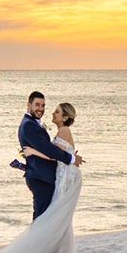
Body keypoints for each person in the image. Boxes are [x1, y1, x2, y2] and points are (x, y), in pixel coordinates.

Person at [0, 99, 83, 253]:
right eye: (44, 107)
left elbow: (52, 155)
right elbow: (54, 153)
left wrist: (31, 152)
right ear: (29, 105)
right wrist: (27, 162)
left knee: (52, 217)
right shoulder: (41, 126)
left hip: (66, 177)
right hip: (61, 175)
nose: (52, 113)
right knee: (55, 216)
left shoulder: (64, 130)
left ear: (65, 117)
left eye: (57, 112)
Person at [15, 91, 80, 221]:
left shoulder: (33, 124)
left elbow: (49, 150)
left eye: (43, 105)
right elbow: (49, 150)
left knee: (43, 218)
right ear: (29, 105)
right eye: (37, 105)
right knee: (42, 218)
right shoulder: (29, 125)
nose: (41, 109)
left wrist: (32, 152)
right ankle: (36, 241)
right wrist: (71, 158)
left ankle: (38, 240)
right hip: (41, 178)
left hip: (45, 177)